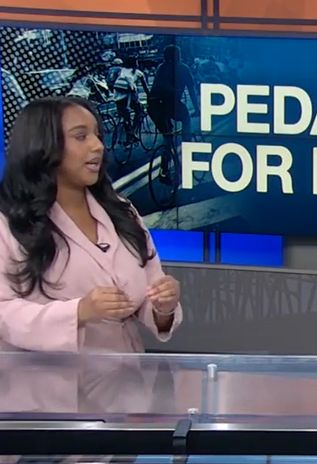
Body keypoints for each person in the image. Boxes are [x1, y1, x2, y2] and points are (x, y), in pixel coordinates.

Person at [0, 96, 183, 353]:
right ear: (43, 144)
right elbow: (4, 312)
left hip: (127, 371)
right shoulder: (8, 222)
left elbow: (147, 292)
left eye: (98, 135)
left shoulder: (121, 211)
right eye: (81, 136)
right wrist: (79, 312)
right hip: (45, 376)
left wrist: (163, 307)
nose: (98, 146)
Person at [147, 45, 200, 183]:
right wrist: (197, 109)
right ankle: (187, 146)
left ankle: (164, 170)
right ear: (178, 55)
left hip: (153, 105)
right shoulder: (183, 68)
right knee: (186, 118)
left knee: (167, 137)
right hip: (171, 103)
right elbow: (192, 91)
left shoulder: (161, 67)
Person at [110, 56, 150, 144]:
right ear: (135, 63)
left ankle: (128, 133)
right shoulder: (138, 73)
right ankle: (133, 132)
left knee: (125, 116)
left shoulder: (121, 71)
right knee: (139, 111)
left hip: (117, 97)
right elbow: (145, 87)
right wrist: (149, 96)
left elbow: (113, 82)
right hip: (128, 98)